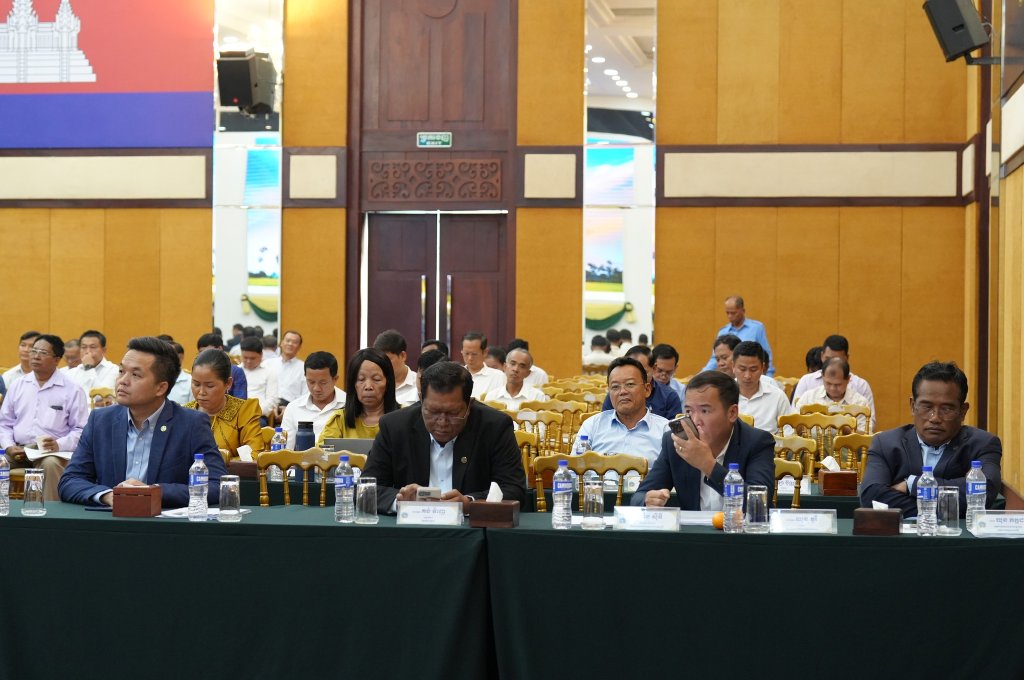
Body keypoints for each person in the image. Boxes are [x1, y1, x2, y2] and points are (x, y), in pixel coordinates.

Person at [59, 336, 226, 507]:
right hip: (111, 520)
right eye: (121, 371)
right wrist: (108, 496)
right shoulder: (100, 421)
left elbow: (217, 485)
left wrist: (154, 492)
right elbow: (70, 480)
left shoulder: (191, 423)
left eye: (135, 375)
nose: (122, 381)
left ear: (161, 387)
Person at [362, 361, 527, 514]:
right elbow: (366, 488)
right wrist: (400, 501)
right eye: (433, 412)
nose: (442, 422)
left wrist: (470, 503)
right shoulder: (395, 426)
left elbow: (514, 489)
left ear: (469, 405)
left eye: (453, 413)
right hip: (411, 526)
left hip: (470, 529)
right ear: (421, 400)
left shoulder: (495, 427)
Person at [860, 361, 1001, 517]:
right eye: (927, 407)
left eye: (946, 408)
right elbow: (871, 497)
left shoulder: (983, 444)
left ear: (963, 411)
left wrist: (912, 484)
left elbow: (983, 493)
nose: (935, 418)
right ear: (912, 406)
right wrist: (941, 508)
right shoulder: (885, 444)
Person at [632, 370, 776, 510]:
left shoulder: (757, 442)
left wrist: (708, 465)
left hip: (739, 526)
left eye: (704, 411)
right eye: (689, 411)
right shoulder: (676, 443)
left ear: (732, 413)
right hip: (693, 527)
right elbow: (638, 497)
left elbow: (759, 503)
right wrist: (648, 499)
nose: (695, 421)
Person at [0, 334, 89, 501]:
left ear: (57, 359)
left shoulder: (72, 390)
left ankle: (51, 513)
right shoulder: (18, 385)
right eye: (34, 351)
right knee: (1, 461)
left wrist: (59, 444)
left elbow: (81, 430)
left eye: (42, 353)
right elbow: (4, 423)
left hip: (52, 452)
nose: (35, 356)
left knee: (50, 464)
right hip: (19, 450)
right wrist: (9, 446)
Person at [573, 357, 668, 473]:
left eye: (630, 384)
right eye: (615, 387)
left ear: (647, 389)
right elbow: (574, 471)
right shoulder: (592, 426)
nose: (622, 391)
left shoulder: (665, 430)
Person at [184, 349, 263, 460]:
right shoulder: (183, 414)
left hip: (230, 471)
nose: (201, 392)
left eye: (210, 386)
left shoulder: (244, 411)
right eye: (196, 384)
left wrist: (220, 462)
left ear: (228, 383)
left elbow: (254, 455)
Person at [791, 335, 876, 430]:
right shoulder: (809, 398)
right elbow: (793, 426)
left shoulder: (859, 402)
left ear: (848, 379)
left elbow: (867, 433)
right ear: (822, 377)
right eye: (828, 383)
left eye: (838, 384)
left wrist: (842, 427)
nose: (832, 388)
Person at [319, 348, 400, 441]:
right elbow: (321, 449)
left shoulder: (406, 418)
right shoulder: (339, 420)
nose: (368, 386)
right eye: (361, 379)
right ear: (353, 384)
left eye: (376, 379)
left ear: (388, 382)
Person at [279, 351, 347, 448]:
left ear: (335, 379)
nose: (316, 388)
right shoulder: (293, 408)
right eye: (311, 382)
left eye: (323, 383)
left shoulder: (349, 405)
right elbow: (285, 450)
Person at [700, 296, 776, 376]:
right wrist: (701, 375)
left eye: (733, 313)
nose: (730, 316)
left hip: (750, 374)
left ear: (743, 311)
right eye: (727, 313)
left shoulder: (756, 328)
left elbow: (765, 354)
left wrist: (768, 376)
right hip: (730, 376)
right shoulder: (723, 332)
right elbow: (714, 358)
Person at [601, 345, 682, 420]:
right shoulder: (616, 394)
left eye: (643, 372)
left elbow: (673, 429)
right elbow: (605, 423)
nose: (637, 377)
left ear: (654, 368)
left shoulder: (669, 396)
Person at [733, 341, 793, 434]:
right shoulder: (723, 395)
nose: (747, 376)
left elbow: (788, 431)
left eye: (753, 369)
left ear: (762, 368)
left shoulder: (777, 397)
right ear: (733, 366)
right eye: (742, 369)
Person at [481, 348, 549, 409]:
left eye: (522, 366)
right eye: (513, 364)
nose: (516, 369)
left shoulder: (537, 397)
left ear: (528, 373)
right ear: (505, 367)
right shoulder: (492, 396)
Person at [373, 329, 419, 406]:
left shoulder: (419, 385)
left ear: (403, 356)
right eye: (380, 360)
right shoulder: (373, 385)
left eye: (387, 360)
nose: (383, 364)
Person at [65, 329, 119, 394]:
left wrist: (88, 368)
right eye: (84, 347)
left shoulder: (114, 370)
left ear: (104, 350)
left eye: (93, 347)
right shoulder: (71, 373)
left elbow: (102, 396)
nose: (88, 351)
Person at [196, 333, 247, 399]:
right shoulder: (198, 371)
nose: (205, 356)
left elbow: (241, 400)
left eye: (208, 352)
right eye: (201, 353)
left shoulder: (235, 372)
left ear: (220, 348)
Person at [266, 330, 306, 414]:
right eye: (288, 341)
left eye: (294, 342)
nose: (290, 344)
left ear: (299, 347)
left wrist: (289, 409)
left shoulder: (304, 368)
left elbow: (305, 395)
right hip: (268, 407)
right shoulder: (268, 364)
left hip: (292, 408)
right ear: (281, 343)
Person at [240, 336, 278, 422]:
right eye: (245, 357)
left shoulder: (269, 372)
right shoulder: (235, 371)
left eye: (252, 358)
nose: (248, 361)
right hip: (236, 414)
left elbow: (272, 400)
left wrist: (255, 412)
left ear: (261, 355)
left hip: (257, 416)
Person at [461, 331, 505, 398]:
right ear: (462, 351)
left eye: (474, 354)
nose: (470, 358)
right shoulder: (456, 376)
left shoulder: (498, 377)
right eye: (466, 353)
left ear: (485, 352)